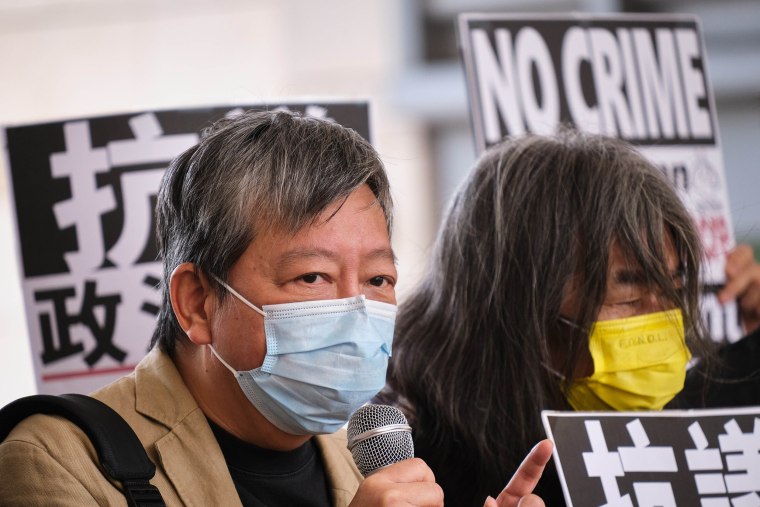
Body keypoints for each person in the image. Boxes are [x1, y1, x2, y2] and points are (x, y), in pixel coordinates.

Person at [0, 110, 551, 506]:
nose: (358, 310)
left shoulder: (365, 449)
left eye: (379, 278)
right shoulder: (58, 459)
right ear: (196, 302)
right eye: (311, 276)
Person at [382, 128, 760, 506]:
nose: (664, 321)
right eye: (629, 296)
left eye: (674, 289)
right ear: (521, 305)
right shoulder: (401, 463)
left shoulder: (690, 432)